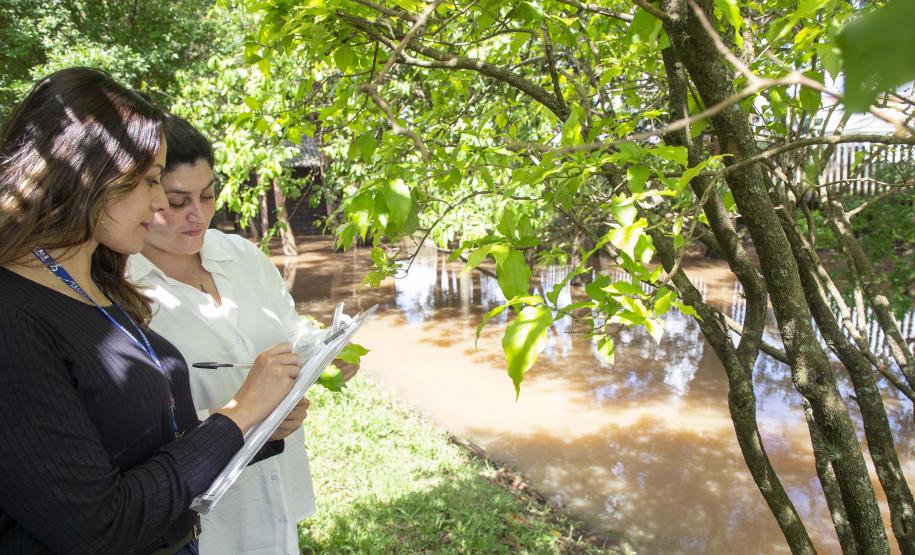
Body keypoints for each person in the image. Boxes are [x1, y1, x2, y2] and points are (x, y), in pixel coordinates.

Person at [0, 67, 309, 555]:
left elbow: (148, 444)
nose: (162, 200)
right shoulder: (14, 318)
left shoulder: (96, 284)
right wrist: (241, 413)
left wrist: (257, 426)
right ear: (85, 177)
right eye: (148, 180)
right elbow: (100, 525)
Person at [127, 114, 357, 555]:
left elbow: (288, 330)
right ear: (144, 193)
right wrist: (246, 417)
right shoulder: (122, 287)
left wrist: (325, 350)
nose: (198, 215)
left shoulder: (238, 253)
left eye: (208, 195)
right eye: (177, 201)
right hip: (200, 514)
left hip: (274, 487)